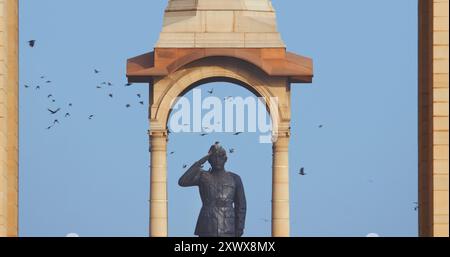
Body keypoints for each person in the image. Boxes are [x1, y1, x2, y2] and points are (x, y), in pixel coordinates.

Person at [178, 143, 246, 237]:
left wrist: (239, 229)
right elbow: (182, 181)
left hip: (228, 228)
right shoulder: (202, 176)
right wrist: (201, 161)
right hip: (206, 227)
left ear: (225, 159)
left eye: (220, 157)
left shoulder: (235, 178)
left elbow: (241, 206)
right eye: (214, 157)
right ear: (209, 160)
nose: (217, 160)